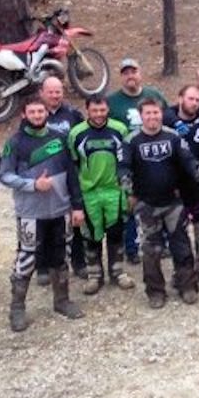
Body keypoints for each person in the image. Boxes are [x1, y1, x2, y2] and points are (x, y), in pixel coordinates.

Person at [0, 96, 86, 331]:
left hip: (60, 210)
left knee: (61, 257)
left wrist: (77, 206)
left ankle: (62, 300)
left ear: (46, 112)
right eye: (33, 111)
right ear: (24, 115)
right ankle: (17, 309)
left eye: (41, 111)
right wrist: (32, 185)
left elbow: (71, 175)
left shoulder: (59, 139)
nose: (38, 115)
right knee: (26, 260)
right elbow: (4, 176)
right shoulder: (15, 142)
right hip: (30, 213)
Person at [121, 98, 199, 308]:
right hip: (146, 203)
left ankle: (187, 285)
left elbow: (186, 158)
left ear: (161, 114)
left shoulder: (173, 136)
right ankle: (155, 291)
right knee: (150, 250)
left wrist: (196, 171)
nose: (152, 117)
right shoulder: (131, 140)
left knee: (181, 245)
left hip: (173, 202)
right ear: (141, 116)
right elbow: (123, 168)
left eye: (155, 113)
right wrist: (128, 189)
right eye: (147, 113)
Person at [67, 95, 135, 294]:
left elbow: (128, 163)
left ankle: (118, 272)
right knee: (91, 236)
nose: (99, 115)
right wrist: (76, 199)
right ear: (87, 110)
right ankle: (94, 275)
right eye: (94, 111)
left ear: (108, 109)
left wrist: (129, 190)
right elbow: (73, 166)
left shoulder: (120, 130)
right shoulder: (76, 134)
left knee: (116, 233)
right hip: (89, 192)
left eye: (102, 110)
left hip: (115, 190)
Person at [106, 58, 169, 265]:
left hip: (155, 153)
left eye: (133, 71)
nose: (130, 76)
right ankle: (131, 248)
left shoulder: (154, 95)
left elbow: (168, 118)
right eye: (126, 72)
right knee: (130, 204)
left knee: (160, 199)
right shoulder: (112, 101)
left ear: (140, 73)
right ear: (121, 76)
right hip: (128, 157)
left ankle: (164, 242)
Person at [163, 84, 199, 283]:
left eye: (198, 100)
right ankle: (182, 270)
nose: (194, 103)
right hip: (175, 188)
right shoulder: (166, 122)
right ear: (180, 98)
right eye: (190, 98)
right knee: (177, 232)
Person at [38, 76, 88, 281]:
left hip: (70, 173)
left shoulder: (73, 115)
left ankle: (79, 262)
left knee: (76, 218)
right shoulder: (35, 114)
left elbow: (83, 139)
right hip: (44, 175)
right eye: (50, 91)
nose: (55, 95)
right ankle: (42, 266)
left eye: (58, 91)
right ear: (42, 93)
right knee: (44, 220)